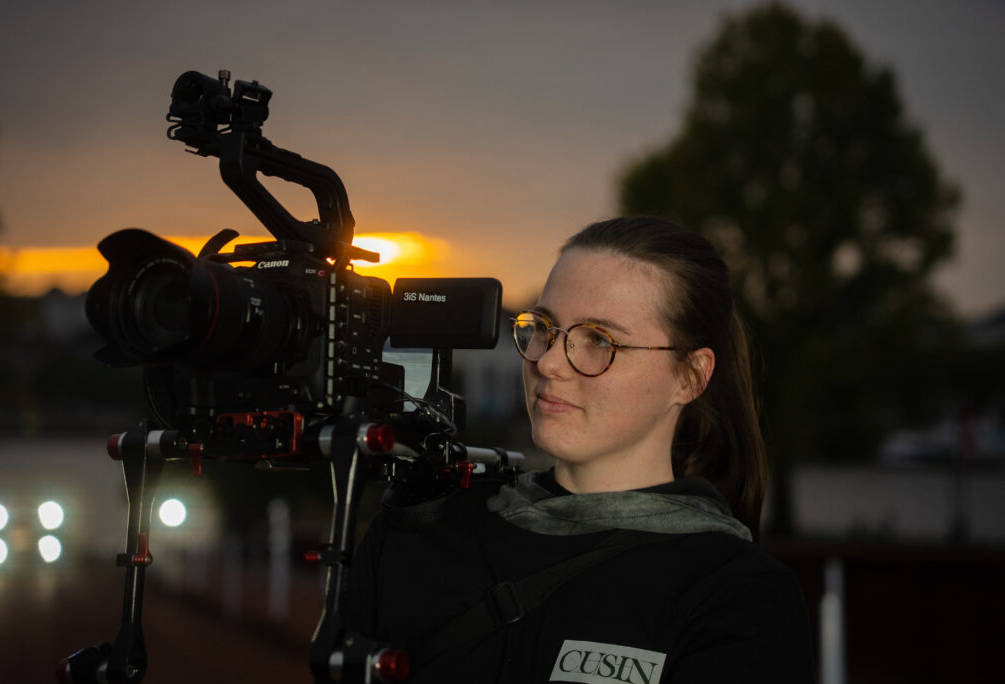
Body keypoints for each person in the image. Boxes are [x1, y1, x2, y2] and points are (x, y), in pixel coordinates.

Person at [345, 216, 814, 683]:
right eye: (544, 327)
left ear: (690, 377)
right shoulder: (422, 531)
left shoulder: (738, 595)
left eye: (598, 340)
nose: (549, 361)